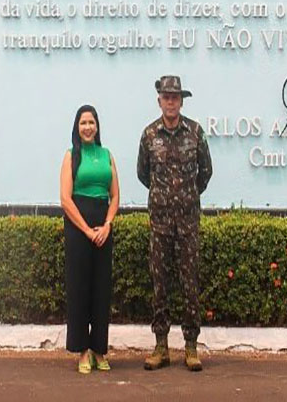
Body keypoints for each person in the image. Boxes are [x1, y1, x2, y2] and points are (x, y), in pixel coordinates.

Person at [137, 75, 213, 372]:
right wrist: (164, 198)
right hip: (160, 223)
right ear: (159, 101)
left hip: (188, 223)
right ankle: (161, 347)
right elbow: (144, 174)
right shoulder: (148, 135)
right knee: (160, 286)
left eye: (175, 97)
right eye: (166, 97)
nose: (171, 102)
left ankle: (191, 347)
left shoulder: (195, 132)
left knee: (190, 284)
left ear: (182, 101)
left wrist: (186, 196)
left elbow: (205, 172)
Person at [59, 105, 120, 374]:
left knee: (101, 289)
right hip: (78, 227)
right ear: (77, 127)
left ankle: (99, 350)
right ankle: (82, 351)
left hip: (103, 227)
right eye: (83, 123)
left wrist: (106, 225)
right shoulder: (71, 156)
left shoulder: (107, 155)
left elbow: (115, 195)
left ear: (97, 126)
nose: (87, 127)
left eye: (91, 122)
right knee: (80, 288)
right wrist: (86, 230)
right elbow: (64, 199)